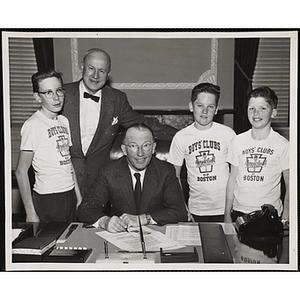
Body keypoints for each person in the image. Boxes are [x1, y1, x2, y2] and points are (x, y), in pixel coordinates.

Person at [62, 48, 177, 197]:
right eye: (91, 69)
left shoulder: (116, 99)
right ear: (82, 67)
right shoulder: (62, 94)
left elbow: (142, 123)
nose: (95, 76)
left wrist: (185, 136)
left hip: (99, 183)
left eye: (102, 71)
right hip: (62, 180)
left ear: (108, 74)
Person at [77, 123, 187, 232]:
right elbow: (85, 209)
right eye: (133, 146)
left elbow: (179, 211)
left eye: (146, 145)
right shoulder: (109, 171)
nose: (140, 153)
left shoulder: (165, 171)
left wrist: (145, 218)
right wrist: (105, 221)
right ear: (124, 149)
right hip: (120, 238)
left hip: (156, 237)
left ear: (153, 148)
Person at [15, 68, 82, 223]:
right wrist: (30, 212)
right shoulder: (33, 125)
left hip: (69, 193)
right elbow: (20, 171)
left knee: (70, 243)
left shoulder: (64, 121)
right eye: (48, 93)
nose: (56, 97)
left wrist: (78, 198)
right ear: (38, 97)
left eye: (59, 90)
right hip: (48, 198)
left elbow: (68, 161)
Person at [167, 83, 236, 222]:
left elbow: (237, 174)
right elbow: (174, 177)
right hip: (196, 210)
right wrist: (183, 208)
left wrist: (230, 209)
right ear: (191, 106)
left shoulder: (228, 134)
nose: (205, 111)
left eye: (210, 107)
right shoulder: (181, 137)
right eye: (200, 105)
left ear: (216, 109)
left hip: (226, 208)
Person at [224, 86, 289, 223]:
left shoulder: (282, 144)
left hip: (269, 215)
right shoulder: (237, 141)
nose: (256, 113)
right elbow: (232, 180)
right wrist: (227, 213)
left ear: (274, 113)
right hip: (239, 212)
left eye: (262, 108)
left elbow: (290, 186)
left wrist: (285, 217)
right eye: (251, 108)